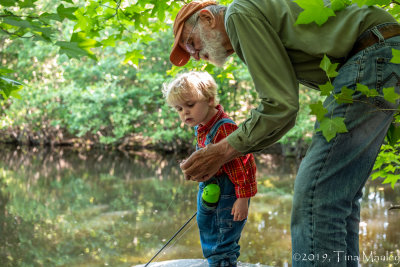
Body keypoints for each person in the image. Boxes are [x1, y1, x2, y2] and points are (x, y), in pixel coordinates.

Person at [169, 0, 400, 266]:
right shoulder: (250, 17)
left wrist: (221, 152)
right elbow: (284, 110)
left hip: (373, 53)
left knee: (316, 194)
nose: (195, 55)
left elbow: (280, 107)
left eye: (190, 44)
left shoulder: (236, 14)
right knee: (337, 192)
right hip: (384, 54)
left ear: (208, 19)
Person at [162, 71, 257, 267]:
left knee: (221, 241)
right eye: (179, 108)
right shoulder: (202, 126)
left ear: (210, 100)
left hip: (227, 195)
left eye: (190, 105)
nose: (184, 112)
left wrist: (243, 198)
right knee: (208, 230)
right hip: (210, 190)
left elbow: (244, 163)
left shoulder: (225, 129)